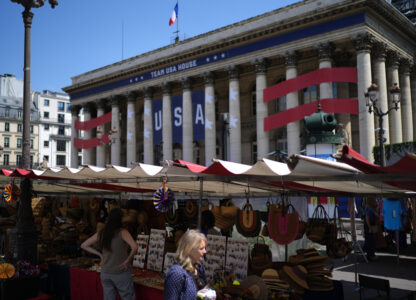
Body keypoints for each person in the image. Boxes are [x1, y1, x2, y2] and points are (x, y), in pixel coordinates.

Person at [81, 208, 138, 300]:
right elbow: (135, 247)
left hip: (105, 272)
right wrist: (127, 260)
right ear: (120, 218)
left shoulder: (102, 232)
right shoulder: (122, 232)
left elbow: (84, 245)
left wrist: (100, 255)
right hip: (120, 272)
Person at [164, 229, 208, 300]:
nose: (205, 251)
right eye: (201, 248)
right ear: (189, 249)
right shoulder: (176, 273)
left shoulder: (199, 267)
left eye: (205, 248)